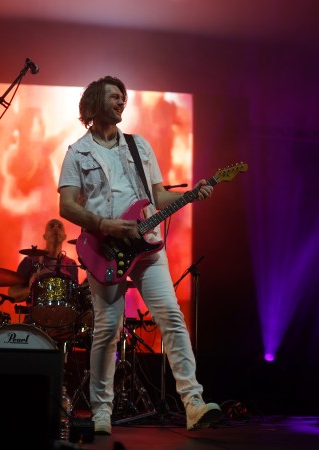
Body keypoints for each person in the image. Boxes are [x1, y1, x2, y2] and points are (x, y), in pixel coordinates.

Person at [57, 76, 222, 435]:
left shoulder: (139, 146)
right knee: (108, 330)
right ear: (94, 103)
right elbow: (67, 205)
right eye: (114, 96)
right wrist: (105, 224)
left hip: (147, 247)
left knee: (171, 318)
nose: (122, 102)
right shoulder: (77, 153)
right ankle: (102, 411)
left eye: (123, 97)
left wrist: (192, 193)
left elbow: (158, 197)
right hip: (104, 249)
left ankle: (193, 402)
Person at [8, 218, 79, 327]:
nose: (56, 228)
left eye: (59, 226)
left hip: (63, 322)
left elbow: (75, 298)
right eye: (51, 226)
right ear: (44, 236)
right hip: (34, 321)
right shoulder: (30, 260)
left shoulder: (71, 264)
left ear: (65, 236)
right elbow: (12, 294)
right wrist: (32, 289)